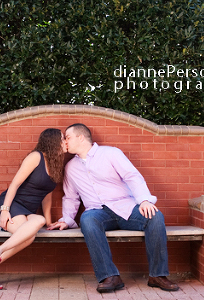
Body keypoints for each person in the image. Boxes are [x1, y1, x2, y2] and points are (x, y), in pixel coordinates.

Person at [48, 123, 180, 293]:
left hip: (126, 207)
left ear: (80, 137)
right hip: (98, 212)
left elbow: (132, 176)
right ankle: (110, 276)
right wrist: (66, 219)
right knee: (87, 220)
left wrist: (145, 200)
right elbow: (71, 197)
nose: (65, 141)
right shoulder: (71, 167)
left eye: (68, 137)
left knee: (155, 216)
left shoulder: (111, 153)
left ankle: (157, 275)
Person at [0, 128, 66, 290]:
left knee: (40, 220)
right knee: (28, 237)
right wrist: (5, 210)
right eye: (62, 139)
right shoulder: (35, 157)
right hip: (12, 205)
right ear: (53, 142)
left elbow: (47, 195)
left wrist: (50, 220)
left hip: (28, 211)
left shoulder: (56, 163)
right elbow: (15, 184)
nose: (65, 141)